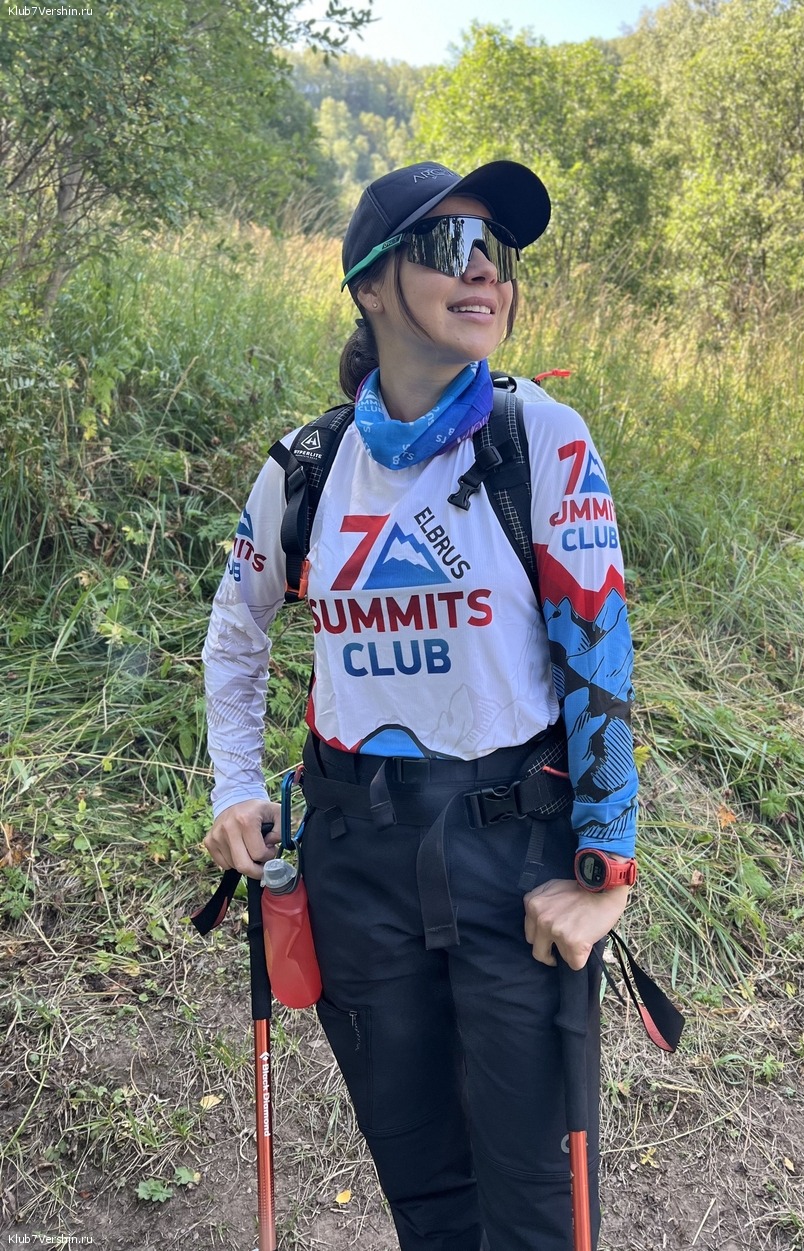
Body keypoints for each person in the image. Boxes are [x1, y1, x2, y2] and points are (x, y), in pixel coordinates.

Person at [202, 159, 640, 1251]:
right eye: (450, 247)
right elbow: (236, 632)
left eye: (499, 250)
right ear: (370, 285)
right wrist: (236, 785)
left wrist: (606, 872)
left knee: (537, 1206)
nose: (485, 269)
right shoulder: (310, 466)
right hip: (356, 858)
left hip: (513, 852)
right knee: (424, 1189)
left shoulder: (538, 438)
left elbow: (599, 651)